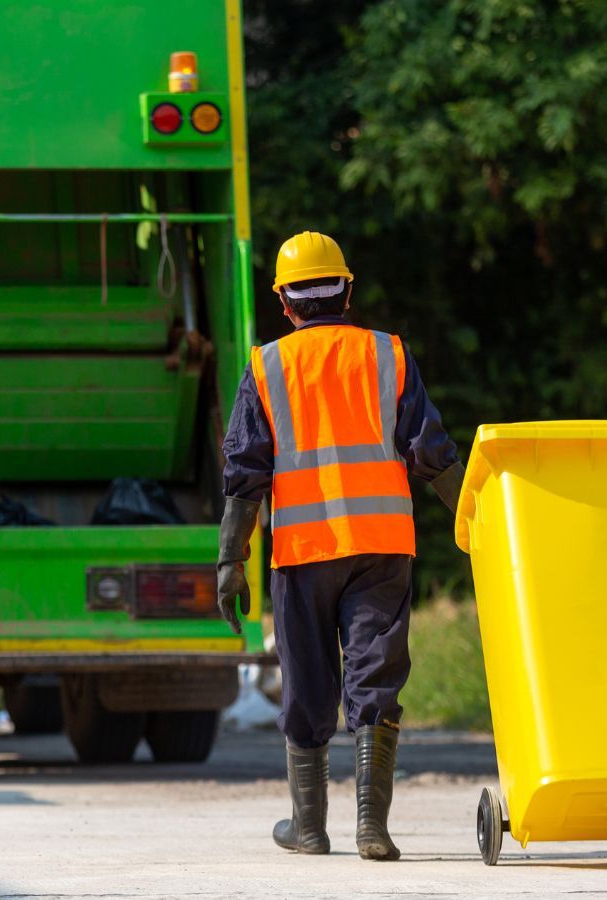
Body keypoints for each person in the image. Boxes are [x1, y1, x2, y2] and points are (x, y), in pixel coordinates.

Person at [216, 231, 464, 860]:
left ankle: (308, 827)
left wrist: (230, 560)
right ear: (347, 291)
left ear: (285, 302)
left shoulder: (267, 366)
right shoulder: (388, 355)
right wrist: (473, 521)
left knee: (306, 682)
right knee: (374, 677)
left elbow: (246, 474)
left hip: (301, 552)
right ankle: (371, 828)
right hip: (381, 545)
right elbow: (431, 455)